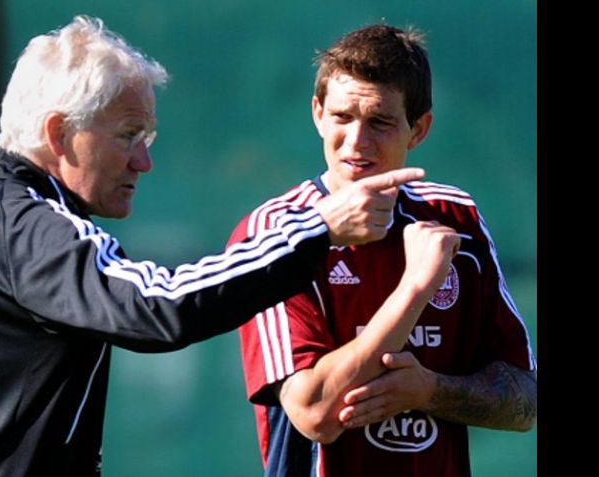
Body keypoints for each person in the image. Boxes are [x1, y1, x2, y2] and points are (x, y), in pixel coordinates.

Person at [0, 15, 429, 476]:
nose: (143, 161)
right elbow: (161, 304)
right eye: (128, 134)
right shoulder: (30, 229)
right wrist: (318, 229)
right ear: (58, 134)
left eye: (147, 138)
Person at [228, 24, 537, 476]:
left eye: (380, 122)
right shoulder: (275, 233)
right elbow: (315, 412)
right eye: (341, 117)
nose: (357, 142)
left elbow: (524, 403)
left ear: (419, 129)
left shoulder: (456, 220)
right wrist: (415, 288)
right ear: (317, 112)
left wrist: (430, 390)